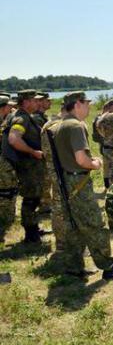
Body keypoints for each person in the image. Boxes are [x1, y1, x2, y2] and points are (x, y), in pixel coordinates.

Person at [53, 91, 113, 280]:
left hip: (67, 181)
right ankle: (109, 267)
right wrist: (95, 164)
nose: (89, 107)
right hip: (79, 181)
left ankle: (74, 267)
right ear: (77, 105)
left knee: (74, 225)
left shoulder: (60, 125)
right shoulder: (75, 126)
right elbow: (81, 159)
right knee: (96, 224)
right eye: (86, 104)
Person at [1, 90, 46, 243]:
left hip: (29, 165)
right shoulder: (21, 118)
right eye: (34, 100)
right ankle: (30, 233)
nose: (38, 103)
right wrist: (33, 152)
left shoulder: (24, 116)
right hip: (28, 166)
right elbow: (14, 139)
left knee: (33, 198)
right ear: (26, 102)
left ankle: (33, 228)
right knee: (31, 199)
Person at [40, 104, 67, 250]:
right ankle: (63, 243)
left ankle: (62, 242)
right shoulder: (59, 126)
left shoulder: (48, 124)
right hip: (61, 172)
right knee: (60, 207)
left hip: (53, 169)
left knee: (58, 206)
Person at [0, 96, 19, 246]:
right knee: (6, 195)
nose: (11, 109)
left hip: (5, 165)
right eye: (9, 106)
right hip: (3, 167)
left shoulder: (4, 121)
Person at [92, 102, 111, 189]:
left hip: (103, 145)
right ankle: (108, 184)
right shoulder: (103, 119)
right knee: (109, 165)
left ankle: (107, 184)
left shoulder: (98, 118)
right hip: (106, 145)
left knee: (106, 165)